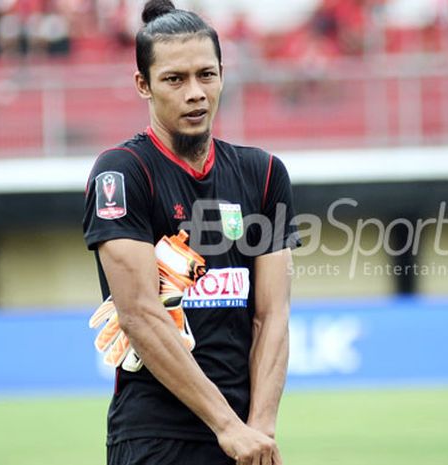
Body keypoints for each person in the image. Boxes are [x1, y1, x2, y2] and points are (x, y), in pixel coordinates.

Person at [82, 1, 299, 464]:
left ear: (223, 73)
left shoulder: (264, 174)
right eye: (175, 79)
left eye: (206, 74)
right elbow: (140, 314)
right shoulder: (121, 174)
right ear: (144, 84)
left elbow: (273, 314)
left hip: (242, 436)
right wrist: (226, 426)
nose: (195, 92)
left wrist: (258, 428)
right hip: (154, 438)